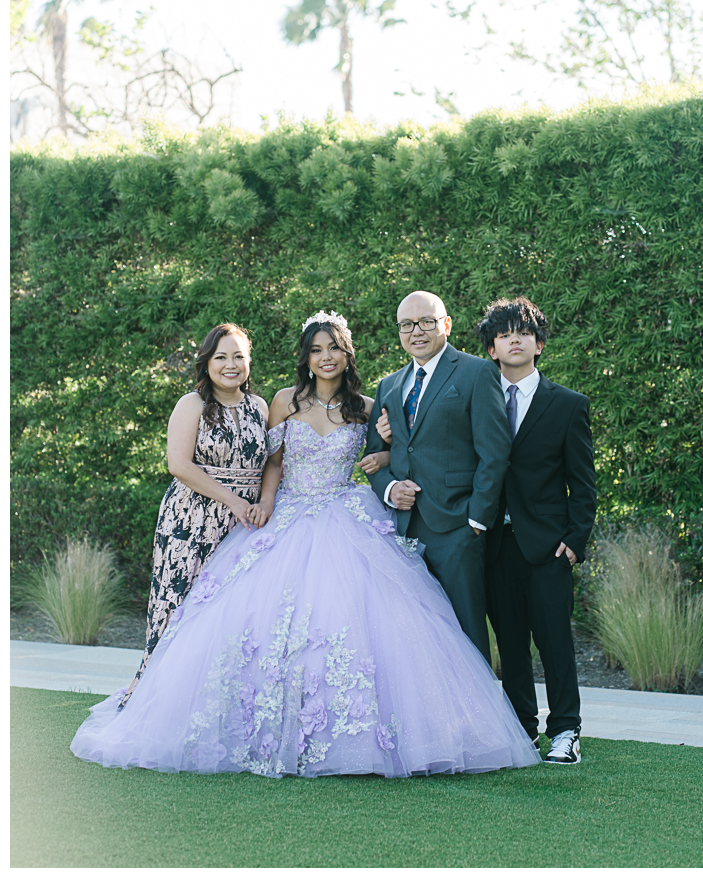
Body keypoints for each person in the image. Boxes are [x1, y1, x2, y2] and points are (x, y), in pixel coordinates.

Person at [70, 310, 540, 778]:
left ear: (346, 353)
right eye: (316, 350)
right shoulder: (282, 401)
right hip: (288, 513)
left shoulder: (369, 405)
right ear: (306, 357)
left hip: (345, 513)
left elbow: (401, 450)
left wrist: (381, 455)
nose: (325, 357)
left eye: (333, 347)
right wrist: (266, 503)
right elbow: (272, 463)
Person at [120, 322, 269, 705]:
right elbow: (179, 465)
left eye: (239, 356)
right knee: (179, 605)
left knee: (232, 613)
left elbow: (273, 462)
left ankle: (217, 704)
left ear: (249, 361)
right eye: (221, 357)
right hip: (192, 520)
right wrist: (233, 501)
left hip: (244, 526)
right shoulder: (193, 404)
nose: (231, 365)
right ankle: (157, 701)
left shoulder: (260, 407)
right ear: (207, 363)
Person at [476, 297, 596, 765]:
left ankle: (566, 731)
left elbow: (583, 484)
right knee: (510, 645)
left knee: (555, 642)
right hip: (494, 545)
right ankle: (522, 730)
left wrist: (575, 541)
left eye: (523, 332)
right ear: (492, 349)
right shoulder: (478, 400)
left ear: (539, 344)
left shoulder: (567, 405)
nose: (514, 339)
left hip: (548, 547)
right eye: (504, 334)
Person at [364, 291, 511, 663]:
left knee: (467, 633)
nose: (417, 331)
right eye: (407, 325)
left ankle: (477, 721)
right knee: (414, 638)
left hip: (456, 528)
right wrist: (391, 489)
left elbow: (494, 453)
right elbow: (375, 459)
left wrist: (476, 520)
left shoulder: (476, 372)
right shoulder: (390, 385)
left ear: (445, 324)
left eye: (426, 321)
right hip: (403, 532)